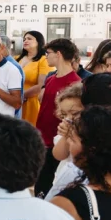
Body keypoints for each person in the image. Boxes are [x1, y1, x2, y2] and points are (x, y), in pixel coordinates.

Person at [33, 39, 83, 198]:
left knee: (52, 186)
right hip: (42, 138)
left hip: (58, 141)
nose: (45, 57)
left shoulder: (75, 83)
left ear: (59, 54)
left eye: (48, 53)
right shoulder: (50, 78)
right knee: (40, 184)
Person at [18, 31, 49, 126]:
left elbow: (41, 85)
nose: (25, 41)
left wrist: (22, 96)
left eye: (29, 39)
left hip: (32, 103)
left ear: (38, 42)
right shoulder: (17, 59)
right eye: (24, 39)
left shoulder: (44, 60)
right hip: (15, 101)